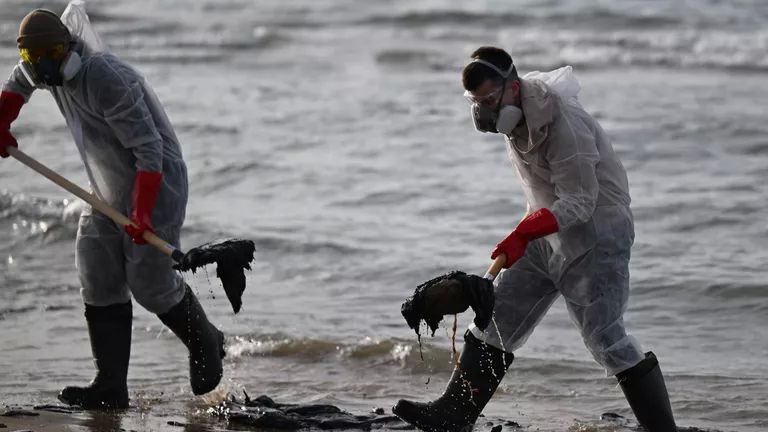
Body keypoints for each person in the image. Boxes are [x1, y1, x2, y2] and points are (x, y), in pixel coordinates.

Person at [393, 46, 677, 431]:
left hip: (597, 236)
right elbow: (543, 193)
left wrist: (525, 231)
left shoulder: (565, 125)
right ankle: (453, 415)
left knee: (606, 339)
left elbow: (580, 202)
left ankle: (662, 428)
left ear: (513, 87)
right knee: (498, 319)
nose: (484, 112)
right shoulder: (513, 122)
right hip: (546, 233)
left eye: (490, 100)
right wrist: (523, 233)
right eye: (476, 102)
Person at [0, 7, 225, 409]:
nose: (47, 66)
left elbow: (149, 150)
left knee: (151, 286)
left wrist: (142, 212)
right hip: (105, 186)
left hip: (155, 180)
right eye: (37, 58)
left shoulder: (105, 78)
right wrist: (1, 124)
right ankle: (110, 386)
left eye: (53, 53)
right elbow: (15, 88)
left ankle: (206, 340)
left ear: (67, 47)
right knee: (96, 270)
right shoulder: (39, 68)